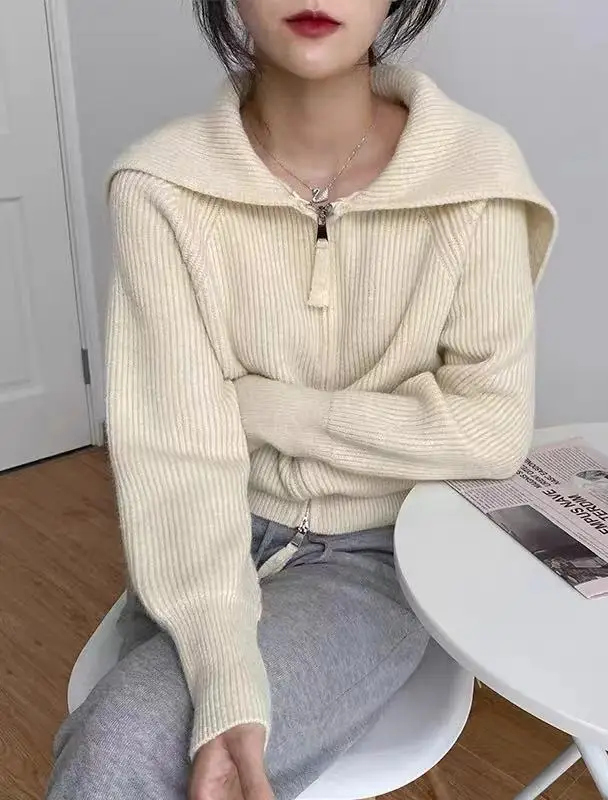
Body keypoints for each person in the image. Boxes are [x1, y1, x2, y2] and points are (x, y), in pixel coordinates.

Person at [47, 1, 557, 798]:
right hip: (209, 531)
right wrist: (226, 681)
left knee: (125, 749)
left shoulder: (475, 178)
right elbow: (177, 466)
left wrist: (266, 408)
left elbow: (491, 431)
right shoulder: (161, 187)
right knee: (120, 747)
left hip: (379, 555)